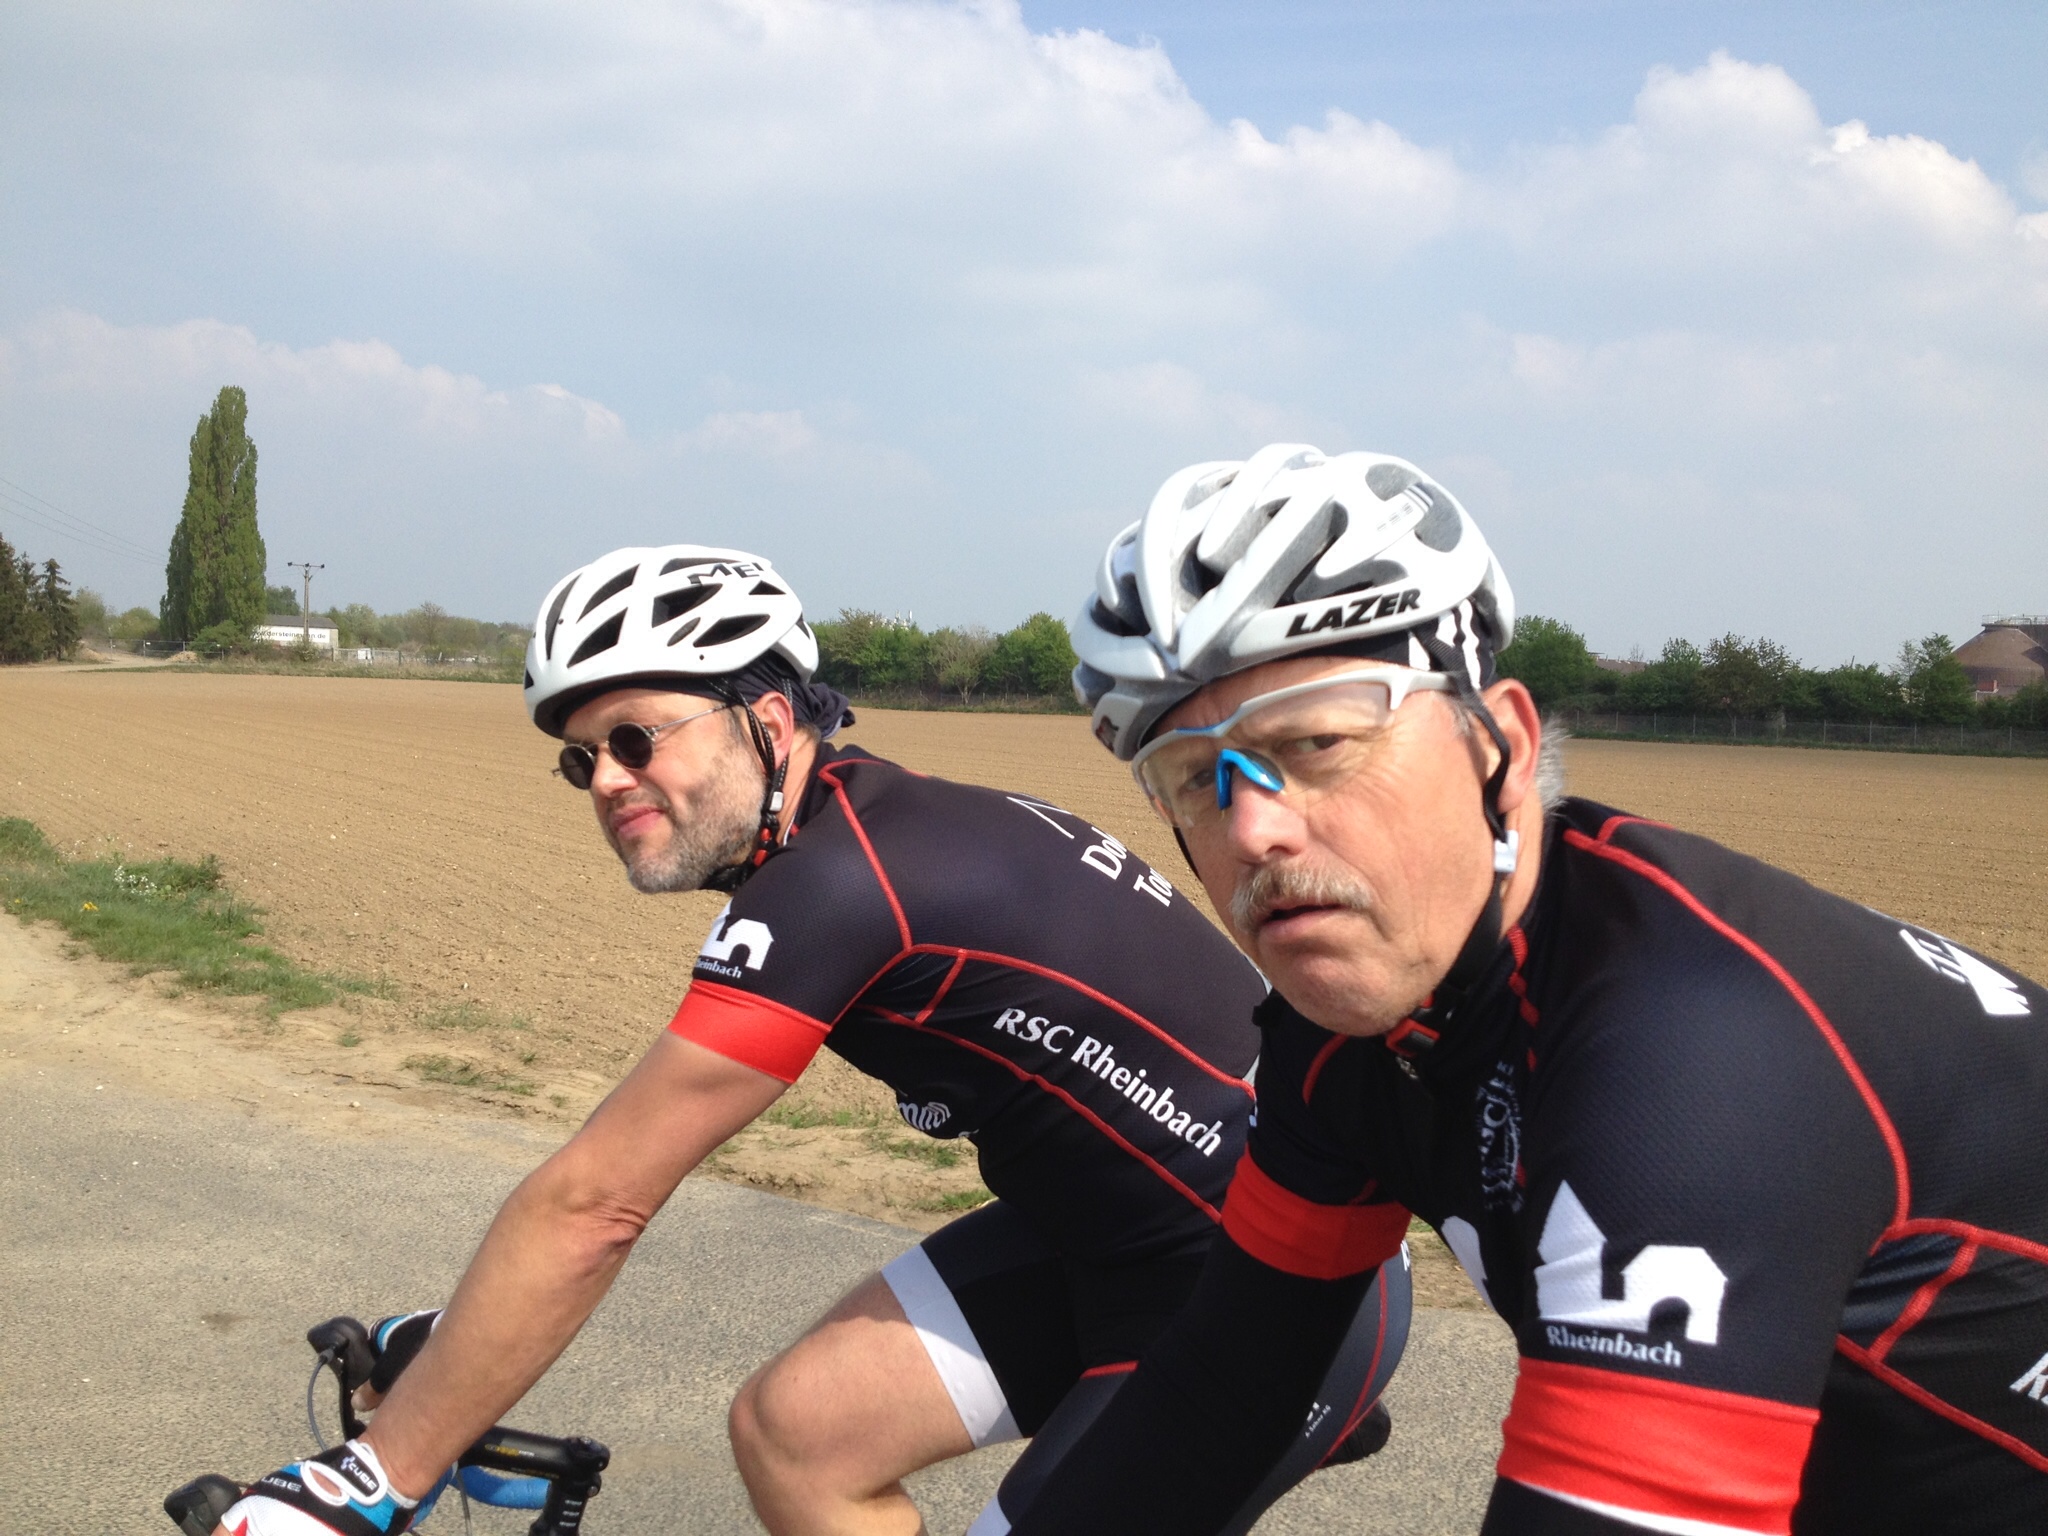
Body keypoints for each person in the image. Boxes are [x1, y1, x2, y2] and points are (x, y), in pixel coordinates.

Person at [213, 543, 1408, 1536]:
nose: (606, 780)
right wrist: (458, 1358)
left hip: (1275, 1285)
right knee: (795, 1437)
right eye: (582, 759)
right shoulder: (870, 827)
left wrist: (372, 1477)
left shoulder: (841, 885)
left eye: (636, 737)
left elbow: (597, 1204)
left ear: (768, 720)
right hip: (1103, 1240)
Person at [1003, 443, 2048, 1536]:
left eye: (1316, 739)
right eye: (1192, 777)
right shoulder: (1347, 1027)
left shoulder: (1686, 1063)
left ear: (1498, 746)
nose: (1252, 828)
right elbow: (1223, 1388)